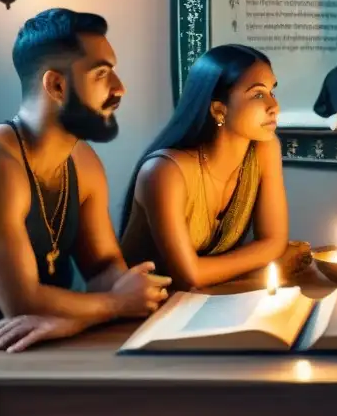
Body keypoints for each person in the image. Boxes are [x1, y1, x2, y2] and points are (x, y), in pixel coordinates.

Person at [0, 8, 169, 365]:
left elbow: (104, 267)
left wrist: (128, 291)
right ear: (57, 85)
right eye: (102, 74)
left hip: (41, 341)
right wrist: (117, 304)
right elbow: (22, 303)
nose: (119, 87)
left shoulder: (83, 161)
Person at [119, 44, 308, 289]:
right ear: (219, 110)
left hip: (208, 300)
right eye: (258, 95)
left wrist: (264, 257)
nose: (274, 106)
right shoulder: (164, 172)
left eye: (272, 91)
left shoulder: (264, 149)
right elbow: (191, 276)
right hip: (142, 315)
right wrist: (257, 268)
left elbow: (274, 241)